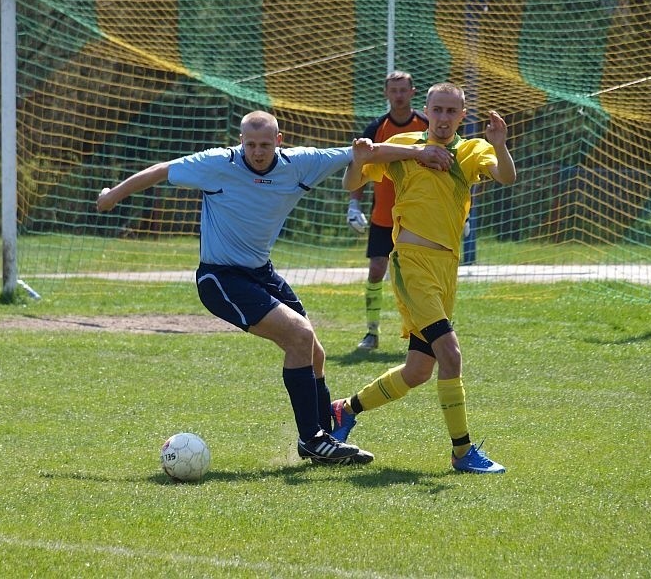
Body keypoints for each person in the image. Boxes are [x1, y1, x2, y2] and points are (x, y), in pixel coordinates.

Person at [96, 110, 453, 466]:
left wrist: (419, 153)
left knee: (314, 351)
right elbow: (163, 170)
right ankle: (312, 440)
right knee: (298, 336)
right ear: (241, 142)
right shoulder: (217, 164)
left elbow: (363, 152)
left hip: (260, 273)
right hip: (220, 278)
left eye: (265, 144)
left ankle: (323, 436)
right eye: (250, 144)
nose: (257, 151)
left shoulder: (299, 163)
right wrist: (114, 194)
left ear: (279, 142)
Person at [333, 83, 517, 473]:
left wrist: (499, 143)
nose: (445, 118)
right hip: (412, 264)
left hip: (446, 269)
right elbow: (353, 182)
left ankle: (344, 411)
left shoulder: (470, 150)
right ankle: (462, 452)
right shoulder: (404, 146)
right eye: (439, 110)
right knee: (451, 354)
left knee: (418, 370)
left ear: (463, 116)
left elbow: (506, 177)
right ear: (427, 111)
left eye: (453, 111)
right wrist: (359, 158)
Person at [347, 70, 429, 351]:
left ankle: (425, 332)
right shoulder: (375, 129)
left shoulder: (428, 125)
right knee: (376, 270)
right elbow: (359, 167)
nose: (398, 95)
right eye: (393, 90)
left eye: (403, 90)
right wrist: (354, 204)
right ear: (386, 93)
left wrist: (462, 212)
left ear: (413, 92)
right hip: (384, 216)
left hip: (419, 216)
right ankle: (372, 332)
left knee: (418, 275)